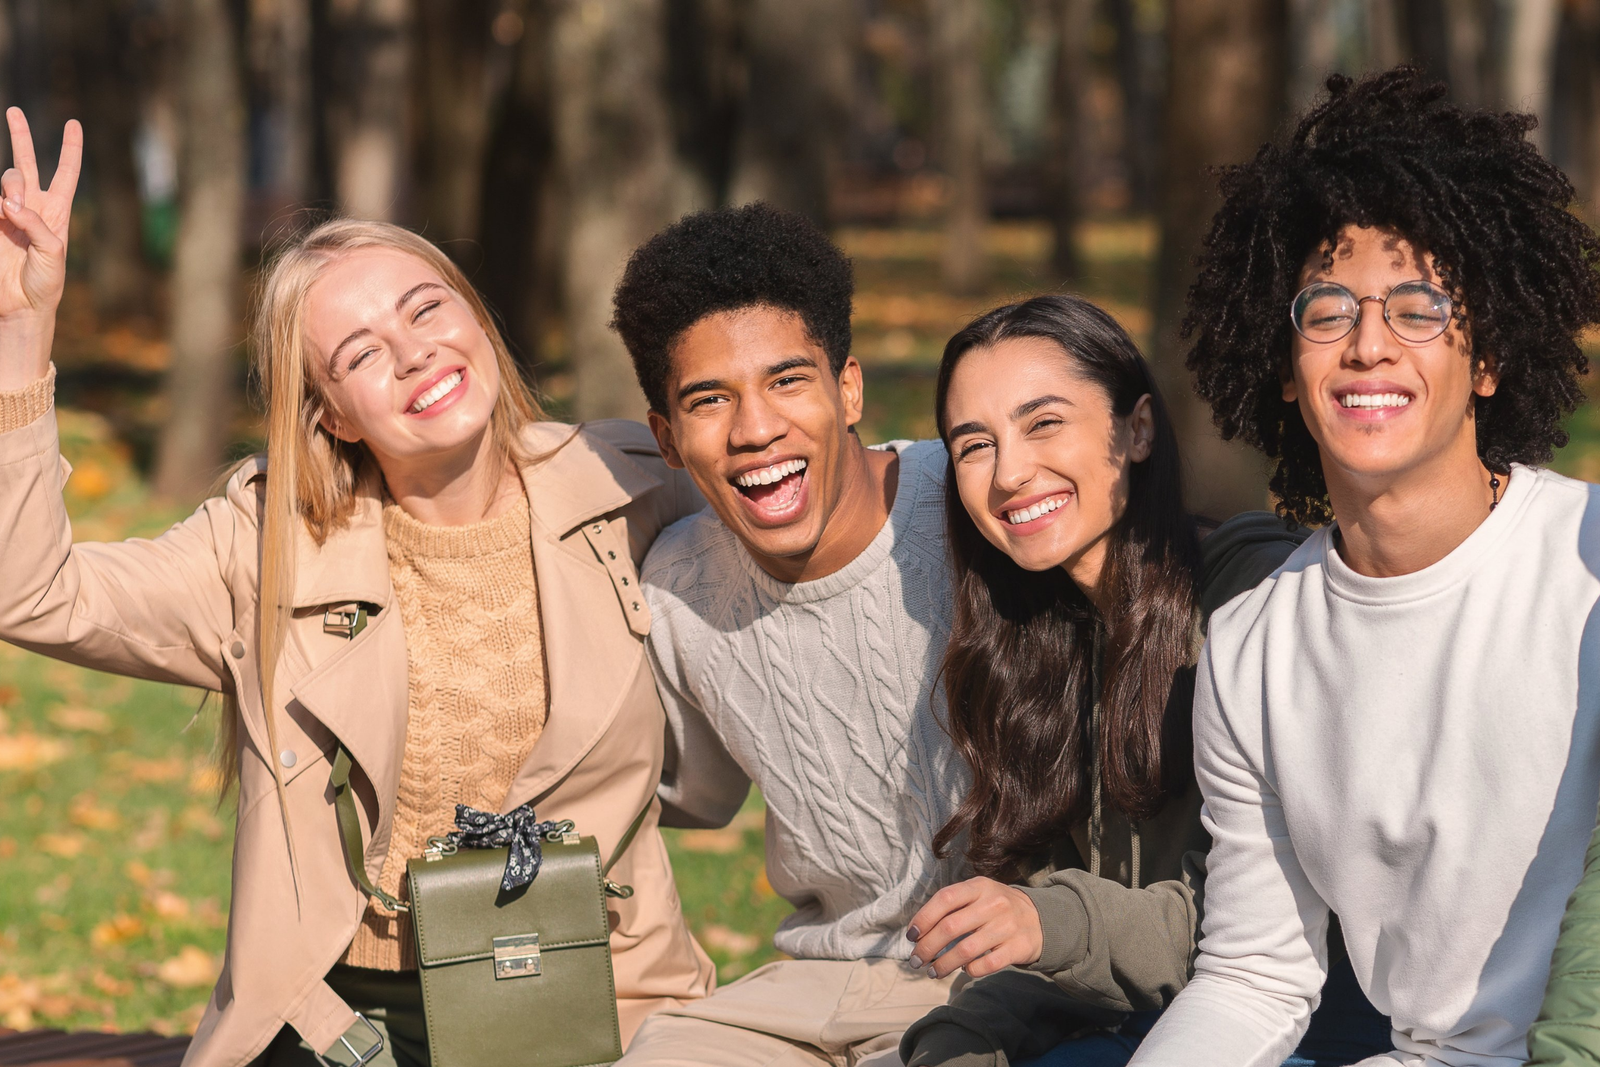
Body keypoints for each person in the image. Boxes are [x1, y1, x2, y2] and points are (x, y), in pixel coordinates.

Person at [0, 109, 714, 1067]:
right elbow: (31, 590)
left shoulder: (634, 482)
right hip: (341, 1021)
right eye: (362, 353)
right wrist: (21, 338)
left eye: (426, 310)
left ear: (475, 316)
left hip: (597, 995)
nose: (415, 351)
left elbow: (827, 507)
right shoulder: (266, 547)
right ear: (330, 415)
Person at [1116, 67, 1600, 1067]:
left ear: (1486, 358)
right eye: (1327, 309)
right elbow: (1254, 972)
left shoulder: (1584, 566)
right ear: (1285, 368)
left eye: (1418, 306)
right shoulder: (1252, 647)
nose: (1368, 343)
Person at [892, 295, 1390, 1067]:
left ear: (1138, 429)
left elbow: (1257, 933)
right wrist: (963, 1038)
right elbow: (1063, 953)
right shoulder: (1035, 643)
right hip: (1155, 1025)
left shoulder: (1250, 597)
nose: (1011, 471)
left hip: (1322, 1028)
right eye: (973, 445)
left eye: (1044, 422)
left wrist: (1047, 919)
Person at [609, 202, 970, 1066]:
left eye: (786, 380)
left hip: (993, 977)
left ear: (847, 388)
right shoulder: (678, 587)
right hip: (814, 984)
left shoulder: (970, 508)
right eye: (708, 400)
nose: (755, 429)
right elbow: (685, 792)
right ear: (667, 436)